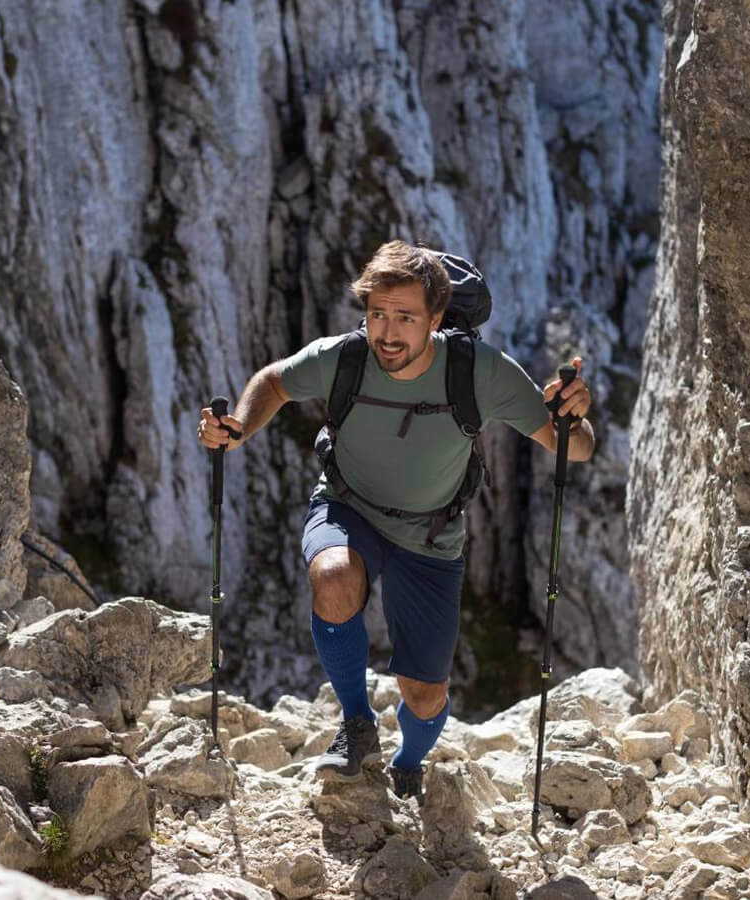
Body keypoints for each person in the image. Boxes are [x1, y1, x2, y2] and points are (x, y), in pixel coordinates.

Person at [195, 240, 594, 801]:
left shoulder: (478, 372)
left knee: (425, 695)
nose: (387, 332)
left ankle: (408, 759)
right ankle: (357, 725)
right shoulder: (347, 357)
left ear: (436, 319)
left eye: (405, 318)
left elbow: (573, 449)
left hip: (431, 536)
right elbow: (275, 381)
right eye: (377, 314)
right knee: (332, 576)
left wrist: (573, 416)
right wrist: (238, 425)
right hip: (347, 505)